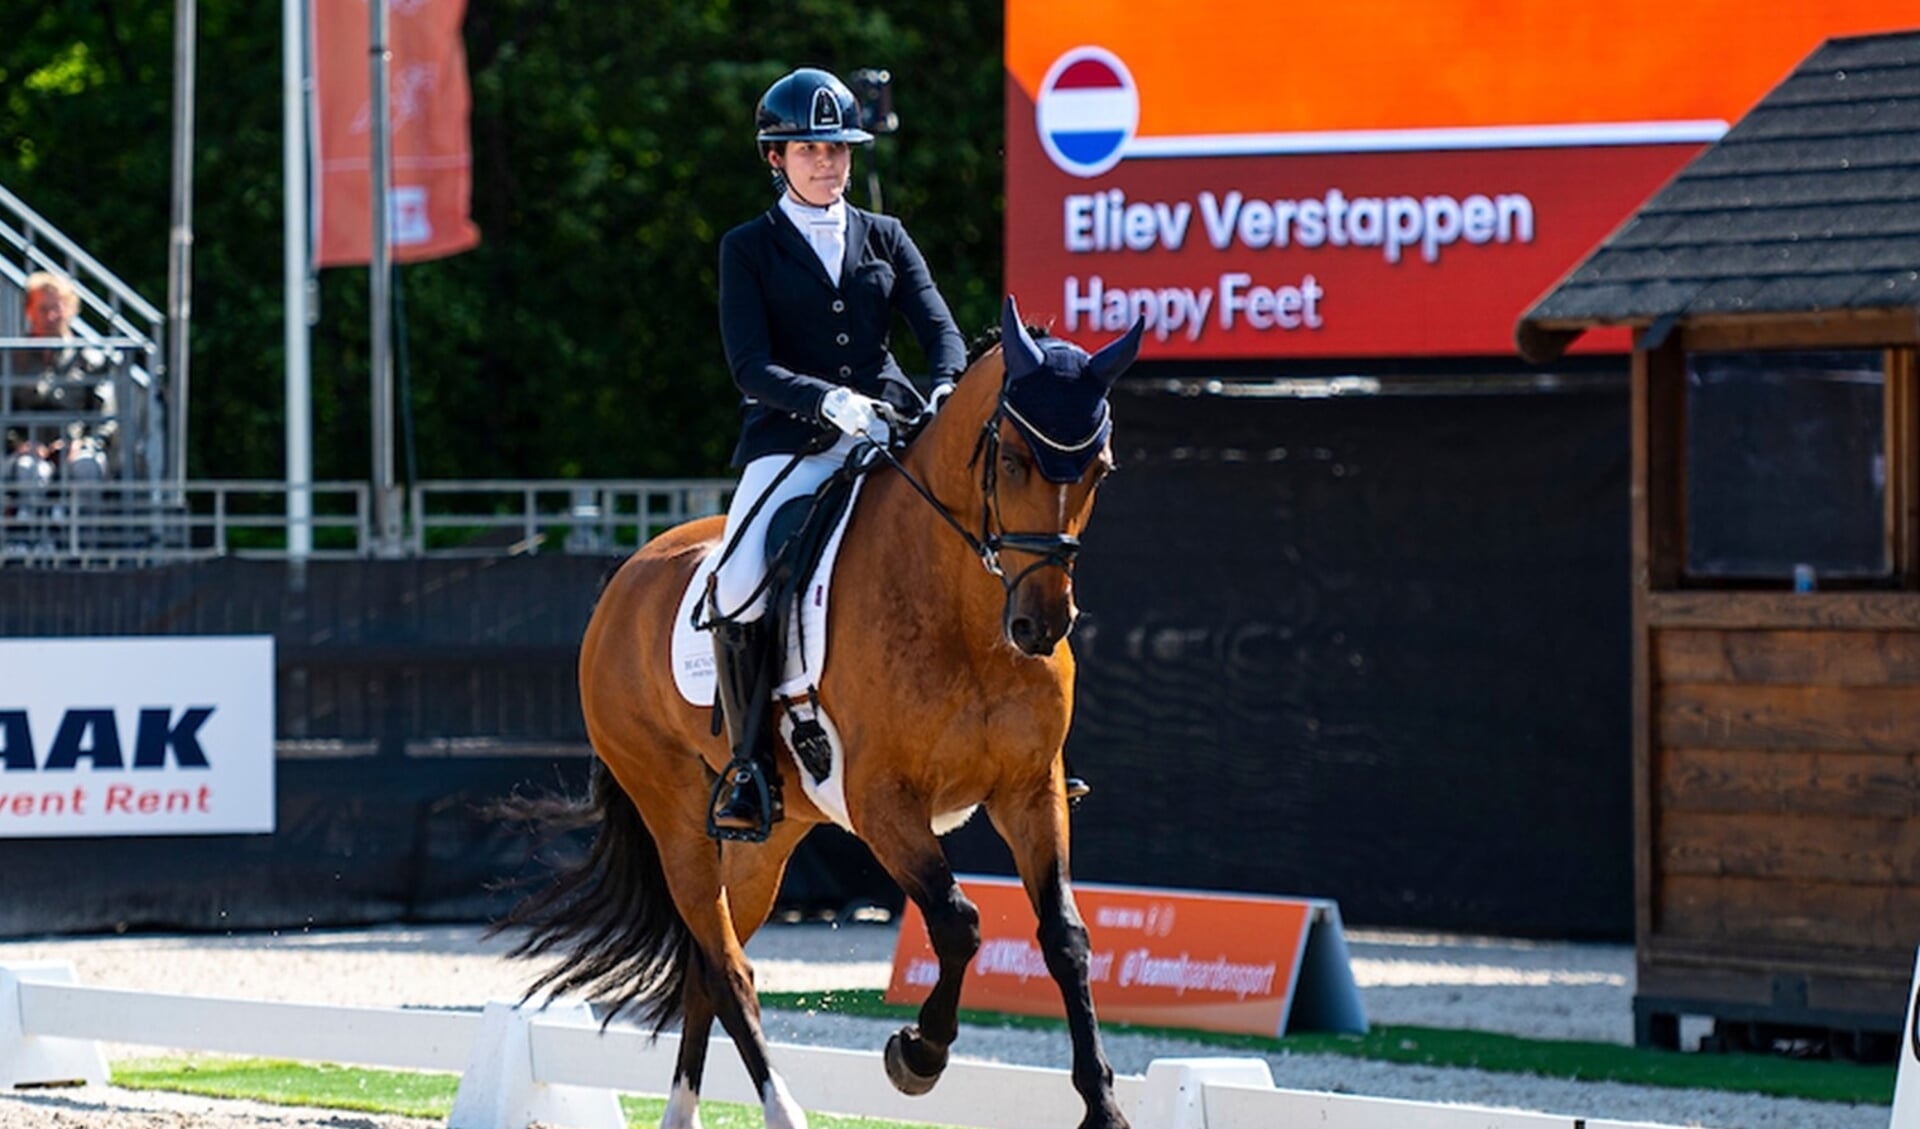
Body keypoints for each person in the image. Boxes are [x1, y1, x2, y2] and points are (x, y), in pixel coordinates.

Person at [705, 66, 967, 838]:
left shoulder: (886, 236)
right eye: (809, 150)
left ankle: (1023, 737)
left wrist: (947, 388)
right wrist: (826, 400)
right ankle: (750, 764)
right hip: (792, 439)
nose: (828, 164)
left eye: (839, 150)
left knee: (980, 538)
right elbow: (748, 366)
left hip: (891, 432)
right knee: (739, 579)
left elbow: (940, 328)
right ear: (776, 157)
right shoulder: (747, 248)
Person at [5, 271, 117, 486]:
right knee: (29, 470)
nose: (50, 317)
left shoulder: (91, 359)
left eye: (57, 308)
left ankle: (84, 521)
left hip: (74, 448)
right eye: (43, 309)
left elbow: (106, 420)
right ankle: (28, 520)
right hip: (25, 452)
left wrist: (83, 445)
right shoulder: (10, 359)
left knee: (88, 466)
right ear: (29, 311)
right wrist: (19, 445)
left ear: (71, 311)